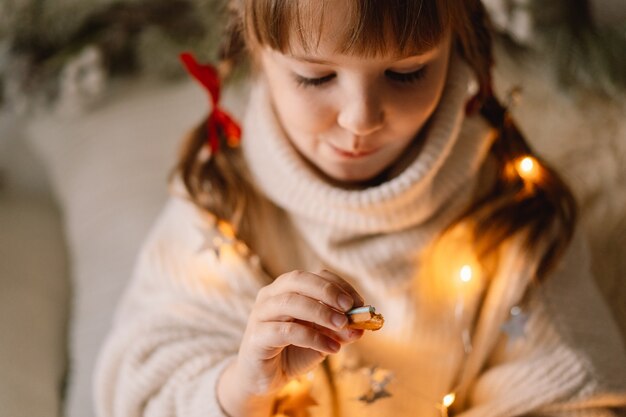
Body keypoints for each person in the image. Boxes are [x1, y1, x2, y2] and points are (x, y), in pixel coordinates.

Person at [94, 1, 626, 416]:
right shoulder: (222, 210)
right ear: (254, 48)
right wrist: (241, 389)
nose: (361, 118)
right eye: (316, 77)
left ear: (458, 43)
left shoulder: (511, 214)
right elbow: (139, 390)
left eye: (406, 73)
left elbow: (578, 391)